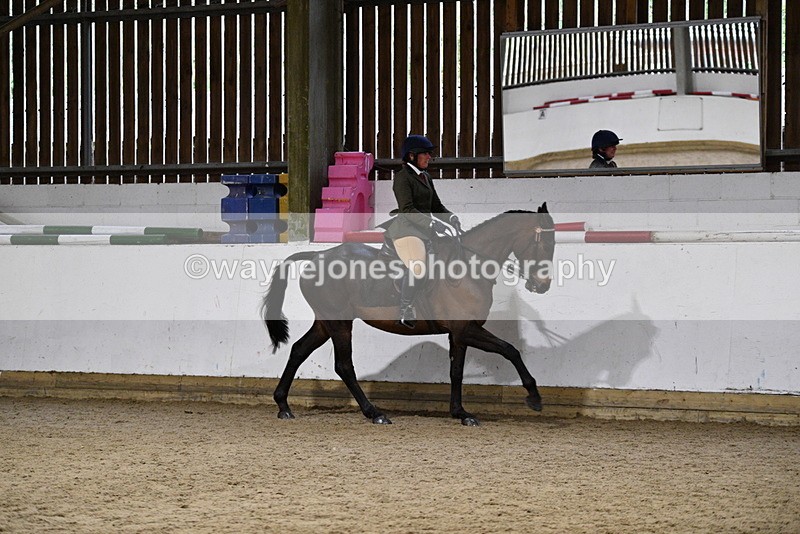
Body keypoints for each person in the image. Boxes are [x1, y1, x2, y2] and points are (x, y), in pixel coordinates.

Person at [386, 134, 461, 328]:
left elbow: (436, 205)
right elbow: (407, 209)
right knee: (418, 267)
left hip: (425, 231)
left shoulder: (426, 177)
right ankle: (406, 309)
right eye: (425, 154)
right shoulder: (402, 178)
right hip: (407, 231)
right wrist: (431, 224)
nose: (429, 157)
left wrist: (451, 218)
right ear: (411, 156)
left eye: (430, 154)